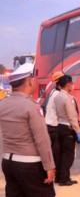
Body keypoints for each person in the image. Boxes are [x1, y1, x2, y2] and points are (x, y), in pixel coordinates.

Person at [0, 63, 55, 197]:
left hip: (8, 162)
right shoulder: (32, 107)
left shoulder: (2, 104)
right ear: (30, 81)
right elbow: (42, 140)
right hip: (30, 164)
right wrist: (49, 166)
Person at [54, 74, 80, 186]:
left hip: (60, 126)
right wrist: (78, 131)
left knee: (60, 153)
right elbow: (72, 116)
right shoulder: (68, 98)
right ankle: (64, 179)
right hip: (68, 128)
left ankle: (58, 177)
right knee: (68, 155)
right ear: (68, 85)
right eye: (71, 84)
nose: (73, 86)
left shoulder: (57, 96)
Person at [45, 71, 65, 166]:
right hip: (54, 125)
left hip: (49, 124)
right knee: (55, 149)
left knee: (52, 147)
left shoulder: (53, 92)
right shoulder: (58, 94)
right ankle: (53, 167)